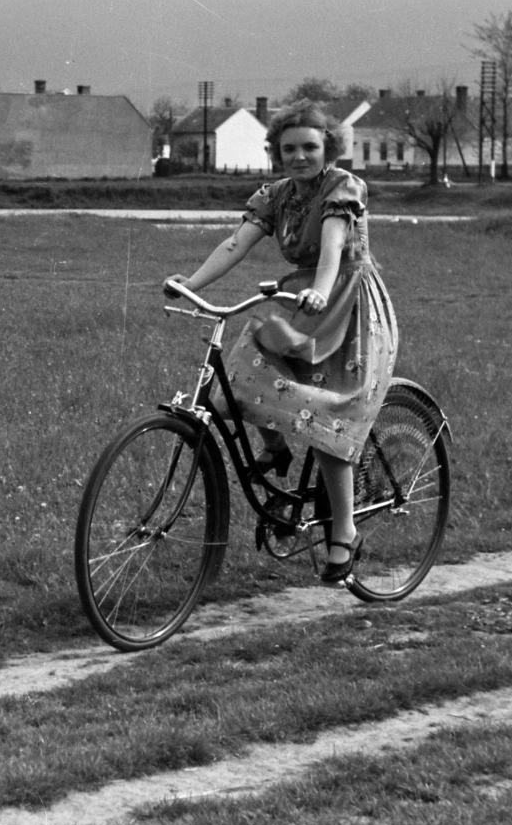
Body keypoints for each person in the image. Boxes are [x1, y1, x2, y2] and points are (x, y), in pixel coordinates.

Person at [164, 99, 398, 583]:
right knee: (245, 364)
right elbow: (235, 243)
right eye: (289, 148)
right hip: (303, 295)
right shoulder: (275, 195)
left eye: (310, 147)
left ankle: (344, 534)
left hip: (346, 300)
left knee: (329, 424)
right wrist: (192, 284)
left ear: (328, 148)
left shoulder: (342, 187)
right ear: (276, 152)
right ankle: (275, 448)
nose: (299, 156)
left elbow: (334, 245)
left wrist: (320, 288)